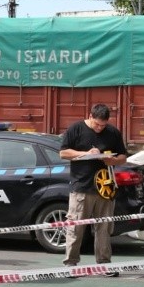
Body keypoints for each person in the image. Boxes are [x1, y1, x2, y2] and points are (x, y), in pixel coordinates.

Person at [59, 104, 127, 277]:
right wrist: (85, 153)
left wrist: (113, 161)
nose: (100, 128)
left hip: (105, 188)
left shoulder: (112, 132)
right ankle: (71, 264)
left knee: (104, 228)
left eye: (103, 125)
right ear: (89, 116)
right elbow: (63, 153)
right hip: (81, 186)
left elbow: (123, 156)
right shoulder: (76, 128)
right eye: (97, 124)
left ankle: (104, 263)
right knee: (75, 227)